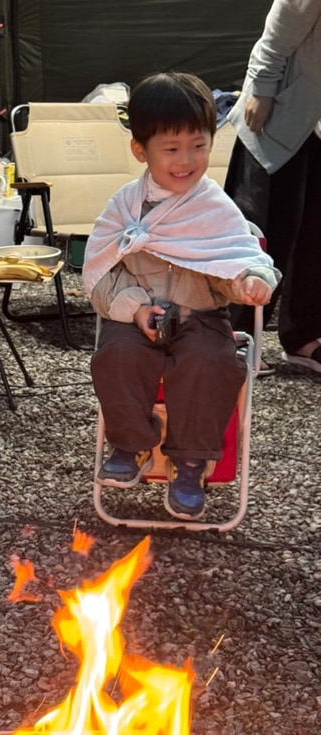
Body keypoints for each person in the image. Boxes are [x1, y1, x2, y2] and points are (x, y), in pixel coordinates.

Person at [82, 72, 280, 521]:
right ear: (140, 150)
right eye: (171, 149)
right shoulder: (124, 208)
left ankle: (190, 464)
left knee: (211, 361)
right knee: (115, 355)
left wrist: (246, 281)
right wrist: (134, 308)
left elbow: (238, 259)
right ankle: (130, 444)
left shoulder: (216, 208)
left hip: (201, 315)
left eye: (198, 146)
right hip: (137, 316)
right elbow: (99, 274)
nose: (186, 160)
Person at [225, 0, 321, 373]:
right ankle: (236, 336)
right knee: (263, 232)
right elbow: (277, 32)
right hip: (277, 117)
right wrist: (262, 88)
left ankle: (302, 337)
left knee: (314, 237)